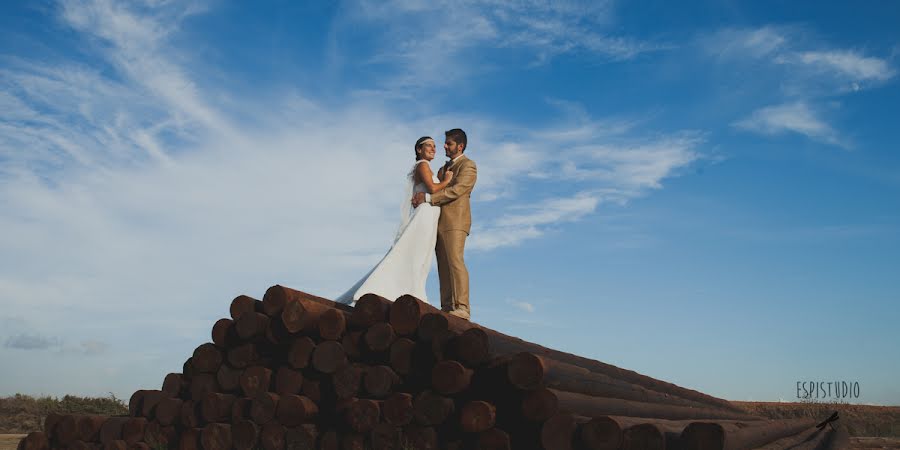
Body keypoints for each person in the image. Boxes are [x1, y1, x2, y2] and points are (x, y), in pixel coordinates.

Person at [335, 136, 453, 305]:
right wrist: (447, 181)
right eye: (429, 145)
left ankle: (414, 291)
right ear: (419, 149)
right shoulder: (422, 165)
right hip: (424, 216)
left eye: (435, 146)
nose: (433, 149)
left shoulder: (426, 167)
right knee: (414, 253)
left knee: (421, 255)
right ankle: (396, 290)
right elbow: (433, 188)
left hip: (430, 217)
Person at [412, 128, 477, 320]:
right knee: (442, 265)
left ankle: (463, 307)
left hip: (456, 221)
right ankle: (448, 307)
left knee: (455, 261)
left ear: (460, 146)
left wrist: (429, 198)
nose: (444, 146)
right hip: (437, 221)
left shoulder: (468, 166)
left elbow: (457, 190)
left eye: (448, 143)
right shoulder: (442, 169)